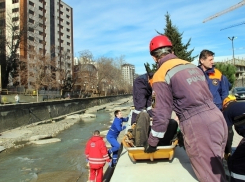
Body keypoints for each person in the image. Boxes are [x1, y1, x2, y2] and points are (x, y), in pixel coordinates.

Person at [144, 35, 228, 182]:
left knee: (210, 177)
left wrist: (152, 143)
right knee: (218, 170)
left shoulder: (161, 74)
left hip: (199, 126)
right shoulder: (190, 66)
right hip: (217, 117)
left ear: (154, 57)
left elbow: (161, 115)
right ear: (172, 50)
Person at [131, 73, 178, 147]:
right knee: (141, 107)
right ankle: (136, 127)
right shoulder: (140, 82)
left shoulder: (160, 83)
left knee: (152, 105)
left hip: (153, 86)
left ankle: (150, 124)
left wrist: (155, 117)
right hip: (143, 82)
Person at [222, 95, 245, 182]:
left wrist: (227, 151)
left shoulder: (227, 111)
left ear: (225, 105)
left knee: (236, 163)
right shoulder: (241, 105)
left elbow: (228, 133)